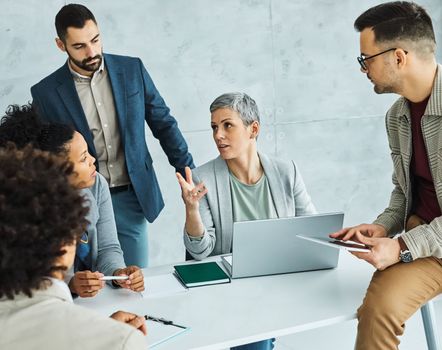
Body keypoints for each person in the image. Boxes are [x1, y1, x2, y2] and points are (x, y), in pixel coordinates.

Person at [31, 3, 194, 268]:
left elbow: (163, 123)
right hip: (80, 202)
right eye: (79, 46)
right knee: (86, 287)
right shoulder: (46, 93)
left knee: (132, 282)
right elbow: (47, 156)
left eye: (95, 40)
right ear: (61, 45)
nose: (92, 51)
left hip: (132, 196)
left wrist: (189, 172)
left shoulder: (132, 70)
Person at [330, 2, 442, 349]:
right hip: (427, 243)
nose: (362, 68)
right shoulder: (397, 117)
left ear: (398, 56)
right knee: (379, 311)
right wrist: (383, 227)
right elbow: (403, 191)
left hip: (420, 242)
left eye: (366, 58)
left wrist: (401, 247)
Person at [177, 92, 316, 350]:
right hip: (232, 290)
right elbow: (199, 251)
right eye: (214, 127)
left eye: (227, 125)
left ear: (253, 129)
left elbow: (312, 231)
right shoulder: (202, 178)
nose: (218, 135)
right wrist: (192, 210)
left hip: (279, 280)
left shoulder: (286, 172)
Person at [0, 145, 147, 350]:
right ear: (67, 242)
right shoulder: (123, 341)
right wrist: (110, 336)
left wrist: (106, 329)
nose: (93, 160)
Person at [0, 104, 144, 298]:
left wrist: (117, 273)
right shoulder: (29, 207)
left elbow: (108, 247)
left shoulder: (97, 184)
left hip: (93, 303)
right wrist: (70, 284)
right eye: (84, 158)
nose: (93, 160)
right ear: (58, 170)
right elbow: (27, 279)